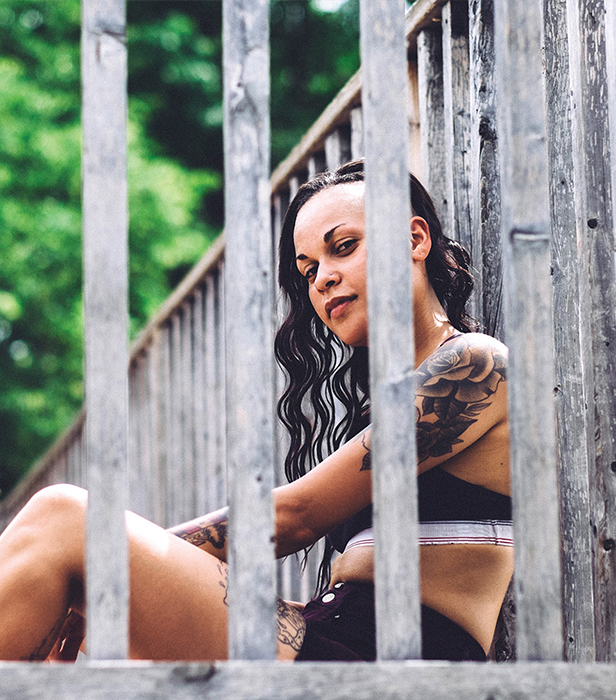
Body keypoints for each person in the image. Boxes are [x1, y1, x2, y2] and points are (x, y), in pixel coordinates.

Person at [0, 160, 512, 662]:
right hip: (329, 641)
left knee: (64, 519)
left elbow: (295, 516)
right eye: (308, 270)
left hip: (385, 669)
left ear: (415, 239)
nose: (322, 279)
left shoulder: (476, 366)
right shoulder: (385, 405)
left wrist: (108, 558)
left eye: (343, 247)